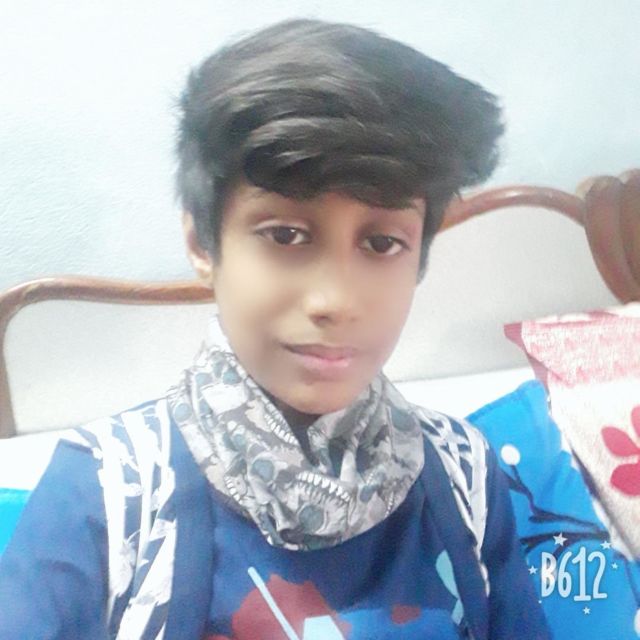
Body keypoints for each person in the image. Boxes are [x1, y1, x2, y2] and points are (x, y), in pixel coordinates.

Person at [0, 18, 550, 639]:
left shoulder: (462, 470)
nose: (334, 300)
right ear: (202, 243)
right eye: (286, 234)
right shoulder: (106, 492)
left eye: (381, 243)